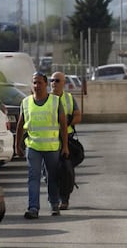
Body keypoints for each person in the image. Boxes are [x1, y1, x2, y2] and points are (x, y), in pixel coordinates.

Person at [15, 72, 69, 219]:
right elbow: (20, 125)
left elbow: (63, 125)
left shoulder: (55, 101)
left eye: (39, 83)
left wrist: (65, 146)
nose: (36, 86)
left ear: (46, 84)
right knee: (33, 177)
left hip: (52, 148)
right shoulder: (26, 102)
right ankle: (33, 208)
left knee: (52, 177)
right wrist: (17, 145)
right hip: (33, 147)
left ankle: (54, 205)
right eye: (34, 83)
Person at [50, 71, 82, 210]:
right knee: (51, 172)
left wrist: (67, 122)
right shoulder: (46, 98)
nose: (54, 83)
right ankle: (54, 198)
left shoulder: (69, 98)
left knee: (66, 170)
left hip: (66, 140)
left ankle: (64, 199)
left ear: (63, 83)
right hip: (49, 141)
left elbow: (78, 116)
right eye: (51, 80)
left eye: (57, 80)